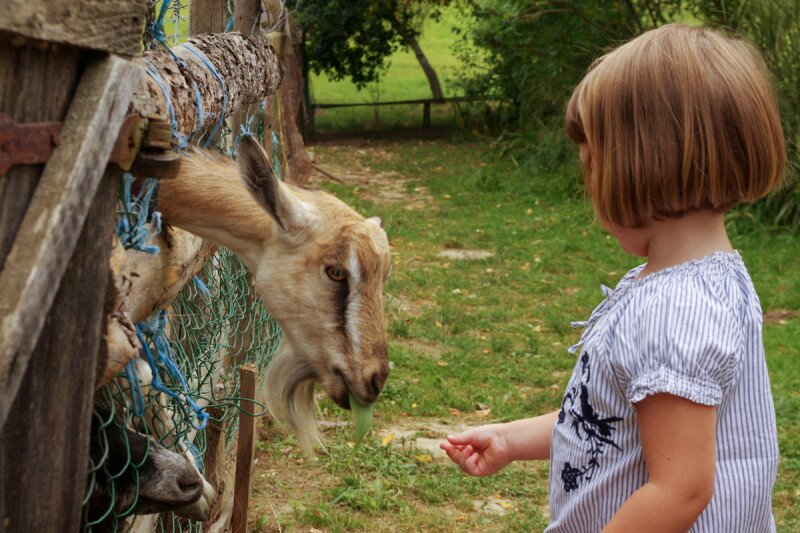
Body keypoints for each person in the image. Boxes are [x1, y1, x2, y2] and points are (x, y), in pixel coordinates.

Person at [441, 24, 785, 532]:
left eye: (590, 166)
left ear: (638, 165)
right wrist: (513, 440)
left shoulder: (675, 311)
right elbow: (605, 422)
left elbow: (679, 490)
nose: (589, 188)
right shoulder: (695, 281)